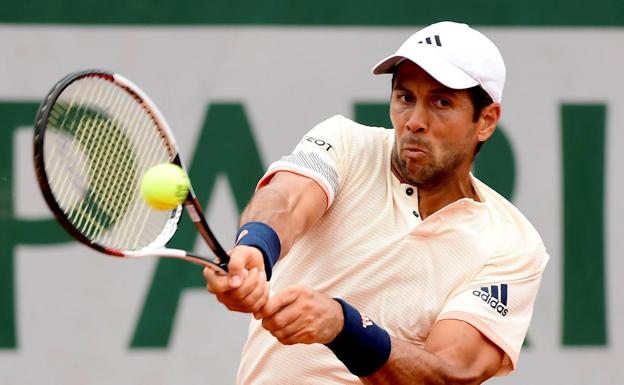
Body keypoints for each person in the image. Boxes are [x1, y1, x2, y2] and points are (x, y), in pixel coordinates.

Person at [203, 21, 549, 385]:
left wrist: (343, 327)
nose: (415, 121)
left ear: (486, 121)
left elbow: (450, 373)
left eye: (441, 102)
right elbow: (285, 198)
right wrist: (256, 246)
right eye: (405, 98)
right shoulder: (345, 143)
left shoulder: (512, 246)